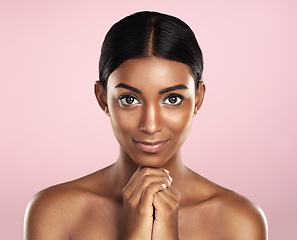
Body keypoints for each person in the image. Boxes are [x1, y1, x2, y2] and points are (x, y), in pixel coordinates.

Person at [24, 11, 268, 240]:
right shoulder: (54, 213)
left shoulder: (239, 222)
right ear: (102, 98)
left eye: (173, 99)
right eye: (129, 99)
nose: (151, 126)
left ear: (198, 99)